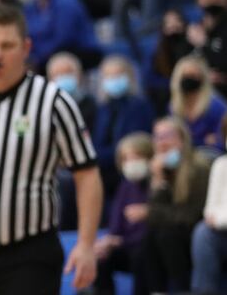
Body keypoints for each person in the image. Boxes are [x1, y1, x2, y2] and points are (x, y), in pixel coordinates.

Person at [0, 4, 102, 295]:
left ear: (25, 47)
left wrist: (86, 245)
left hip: (30, 253)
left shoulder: (53, 102)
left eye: (6, 45)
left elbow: (87, 174)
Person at [143, 116, 210, 293]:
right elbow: (152, 218)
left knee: (166, 234)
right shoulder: (159, 169)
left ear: (183, 139)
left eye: (167, 136)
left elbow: (193, 215)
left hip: (198, 231)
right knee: (148, 237)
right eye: (157, 137)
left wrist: (156, 213)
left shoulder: (199, 167)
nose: (162, 142)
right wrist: (159, 182)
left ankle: (182, 290)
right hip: (173, 233)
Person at [92, 132, 153, 295]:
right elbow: (115, 224)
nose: (131, 163)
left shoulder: (156, 184)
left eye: (136, 157)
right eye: (126, 158)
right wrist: (109, 241)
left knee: (143, 255)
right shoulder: (125, 186)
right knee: (100, 256)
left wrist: (120, 241)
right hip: (126, 247)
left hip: (146, 249)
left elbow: (152, 230)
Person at [21, 0, 101, 72]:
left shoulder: (66, 1)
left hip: (79, 52)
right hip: (45, 56)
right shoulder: (30, 6)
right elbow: (29, 35)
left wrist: (38, 58)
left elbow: (64, 38)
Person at [93, 55, 155, 198]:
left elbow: (137, 141)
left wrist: (101, 157)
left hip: (129, 162)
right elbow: (96, 141)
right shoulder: (102, 109)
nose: (113, 79)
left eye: (118, 74)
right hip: (104, 166)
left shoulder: (140, 106)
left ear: (129, 76)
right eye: (108, 75)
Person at [191, 138, 227, 294]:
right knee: (203, 232)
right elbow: (209, 210)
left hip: (221, 223)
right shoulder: (221, 164)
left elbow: (216, 217)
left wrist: (219, 220)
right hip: (222, 232)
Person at [169, 55, 227, 150]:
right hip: (184, 152)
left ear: (202, 79)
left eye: (193, 76)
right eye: (185, 76)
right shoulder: (173, 106)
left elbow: (220, 141)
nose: (189, 80)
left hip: (211, 154)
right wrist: (203, 140)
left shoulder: (216, 106)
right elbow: (174, 138)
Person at [148, 9, 194, 115]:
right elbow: (150, 78)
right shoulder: (158, 51)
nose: (173, 25)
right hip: (167, 90)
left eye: (177, 21)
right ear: (163, 27)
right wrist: (174, 84)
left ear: (184, 24)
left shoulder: (193, 46)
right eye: (168, 22)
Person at [189, 0, 227, 98]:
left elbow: (222, 65)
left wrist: (203, 44)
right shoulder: (193, 29)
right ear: (199, 1)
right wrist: (202, 74)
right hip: (196, 89)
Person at [46, 51, 97, 132]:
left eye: (68, 72)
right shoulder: (46, 106)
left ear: (79, 74)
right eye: (58, 74)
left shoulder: (92, 104)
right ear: (50, 79)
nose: (64, 77)